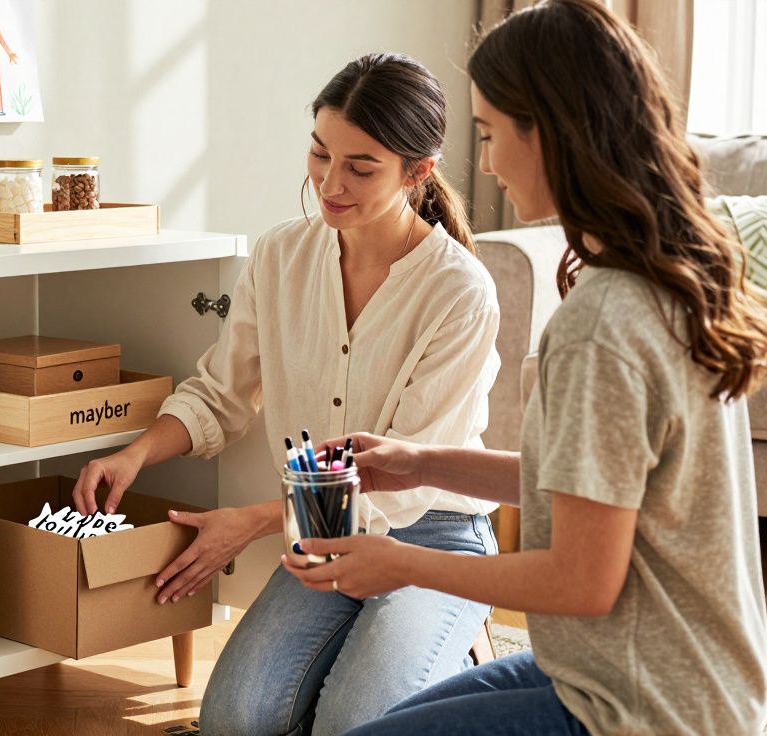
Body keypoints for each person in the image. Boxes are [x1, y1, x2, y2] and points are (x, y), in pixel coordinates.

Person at [290, 3, 767, 734]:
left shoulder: (604, 323)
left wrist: (401, 564)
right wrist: (422, 462)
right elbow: (598, 492)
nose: (482, 163)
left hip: (644, 708)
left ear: (548, 132)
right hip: (666, 678)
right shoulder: (671, 280)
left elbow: (580, 580)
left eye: (488, 133)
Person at [72, 53, 503, 735]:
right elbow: (221, 392)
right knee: (235, 721)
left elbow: (401, 484)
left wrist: (250, 522)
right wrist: (136, 455)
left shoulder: (460, 292)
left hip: (433, 537)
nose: (331, 183)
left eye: (361, 168)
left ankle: (446, 652)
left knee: (354, 724)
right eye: (319, 152)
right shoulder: (278, 258)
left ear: (417, 172)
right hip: (325, 535)